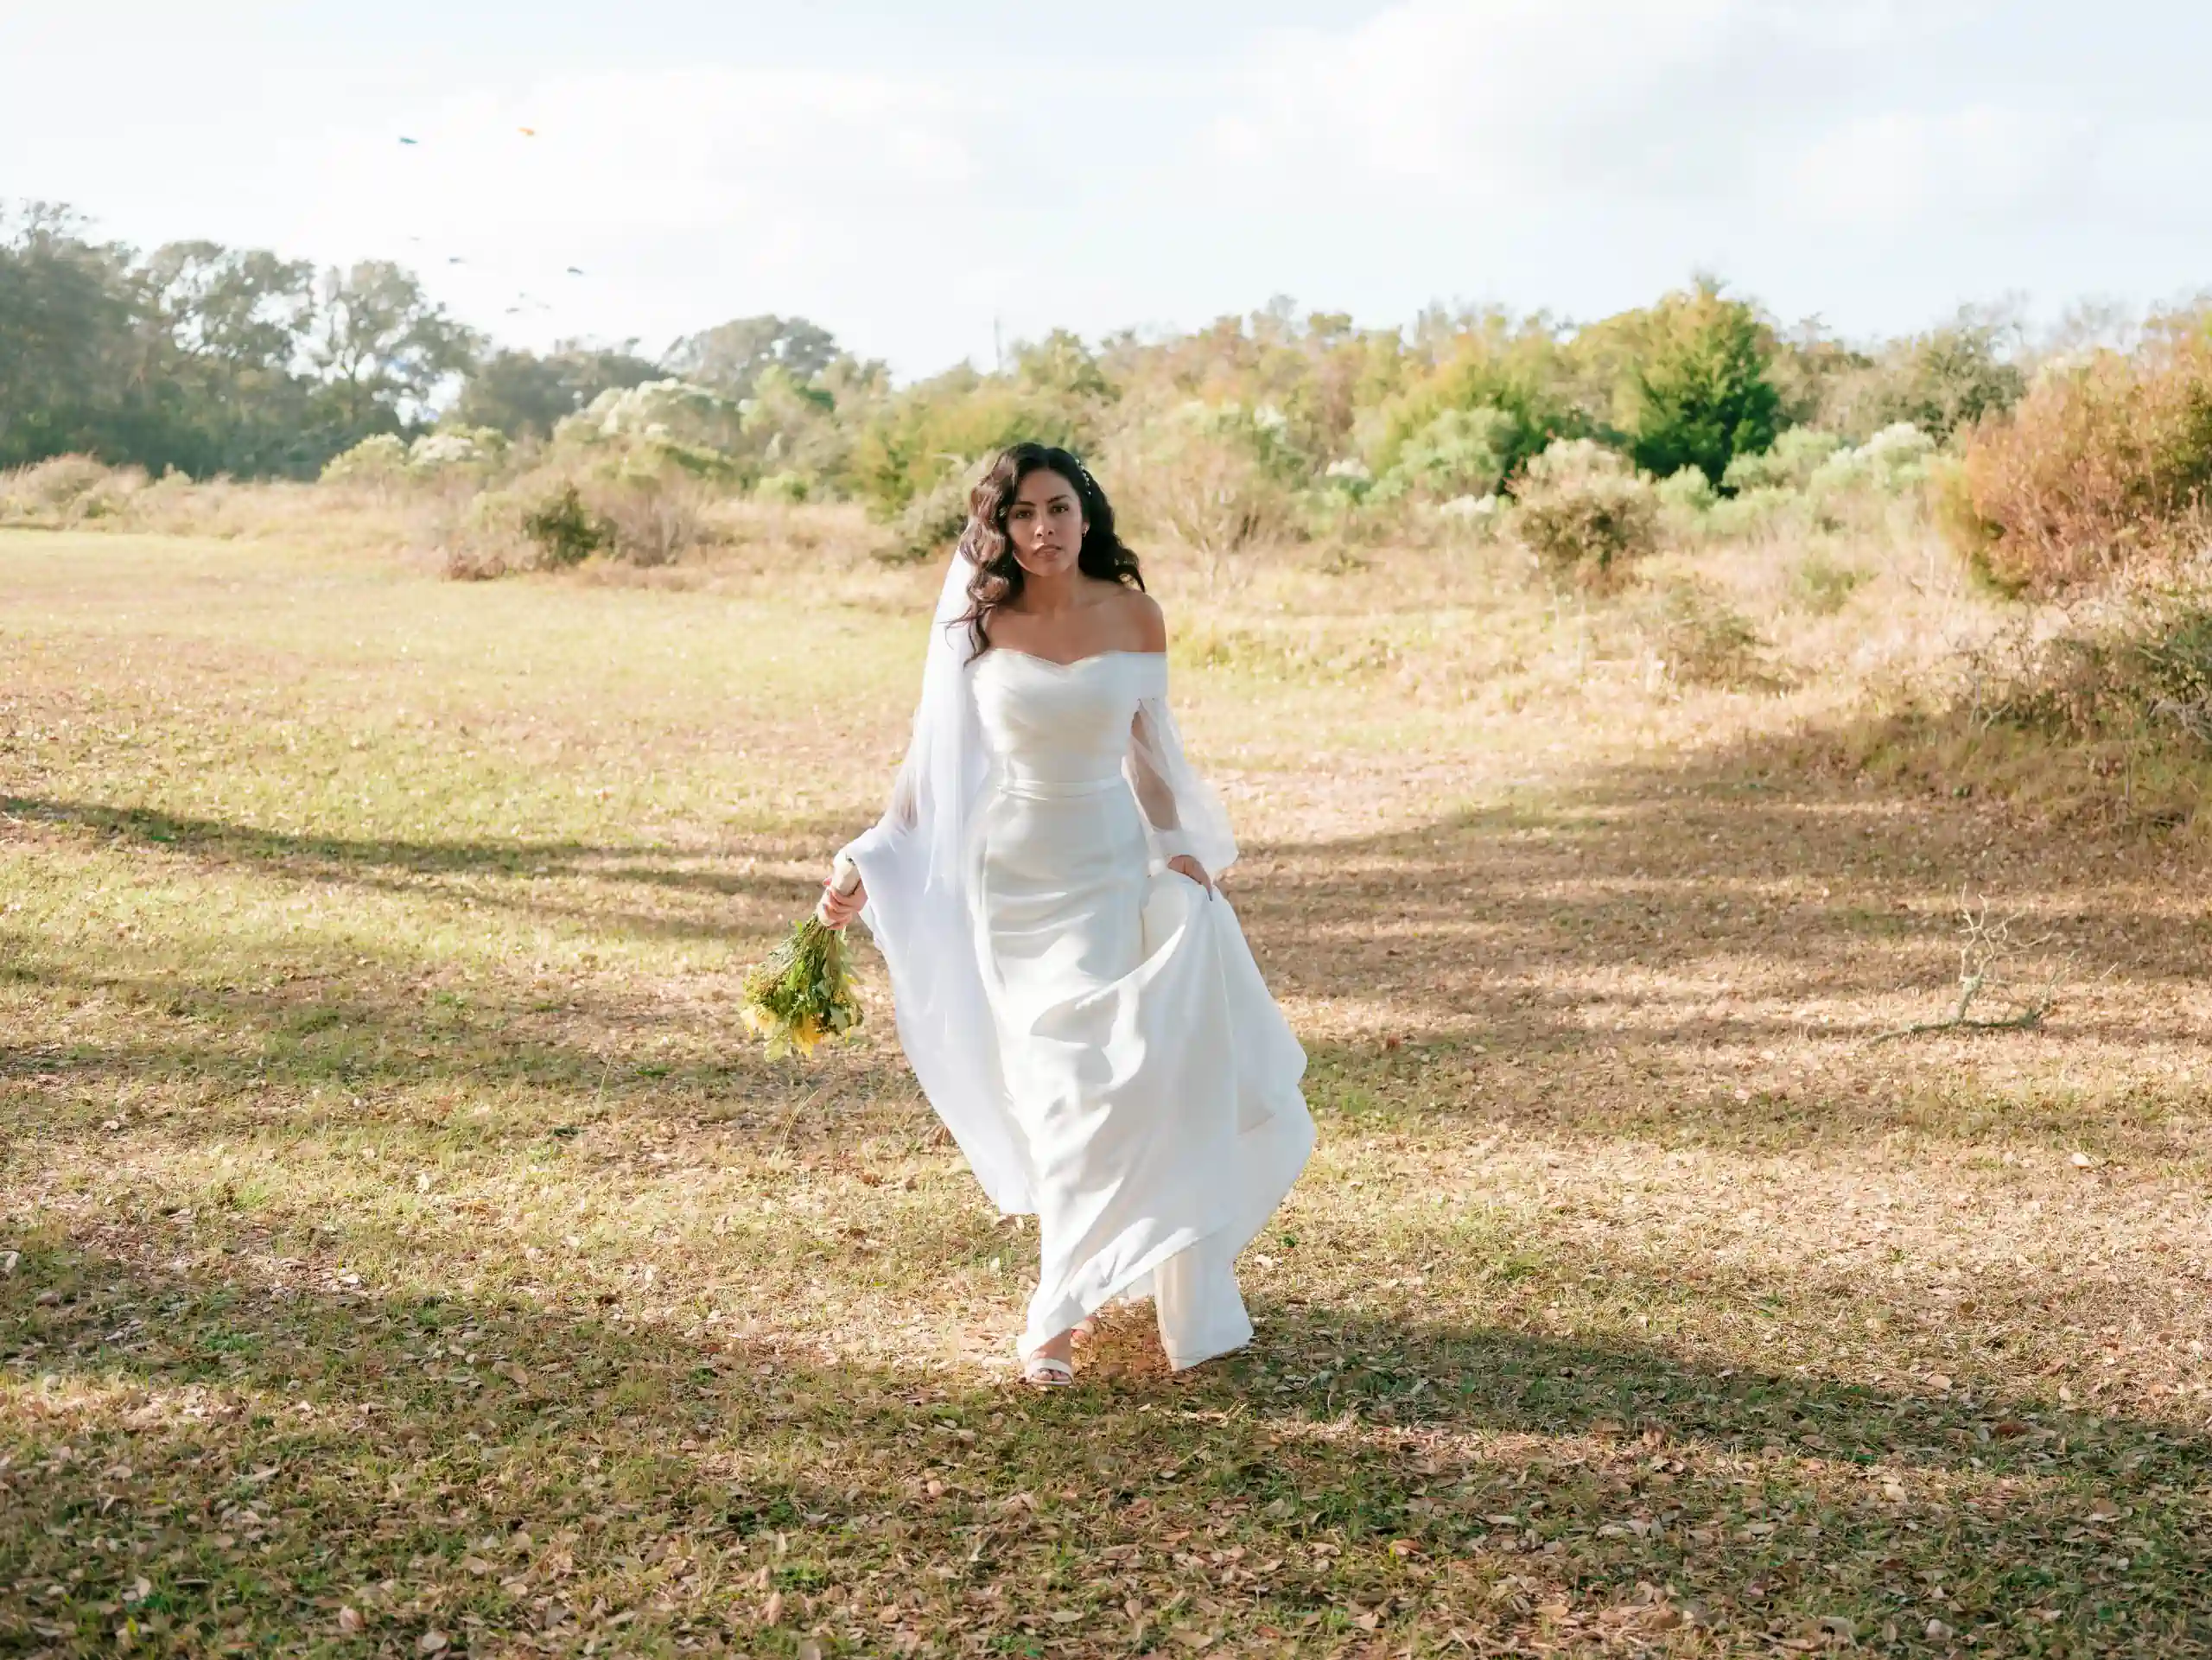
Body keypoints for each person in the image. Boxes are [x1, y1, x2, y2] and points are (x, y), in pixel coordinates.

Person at [818, 442, 1314, 1386]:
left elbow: (1149, 748)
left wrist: (1179, 845)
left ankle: (1059, 1306)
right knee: (1055, 1090)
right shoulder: (979, 625)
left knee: (1116, 1083)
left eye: (1057, 508)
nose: (1041, 530)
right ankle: (1063, 1297)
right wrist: (867, 855)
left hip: (1111, 866)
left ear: (1085, 512)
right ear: (997, 530)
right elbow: (933, 769)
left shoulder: (1135, 615)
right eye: (1021, 516)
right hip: (1013, 879)